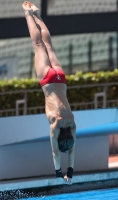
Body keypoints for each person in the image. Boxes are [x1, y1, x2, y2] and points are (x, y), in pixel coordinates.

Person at [22, 1, 76, 185]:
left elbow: (72, 151)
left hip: (60, 77)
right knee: (38, 44)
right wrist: (58, 173)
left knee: (48, 44)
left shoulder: (72, 123)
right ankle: (28, 14)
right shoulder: (55, 124)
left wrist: (70, 171)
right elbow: (55, 152)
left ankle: (37, 15)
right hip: (48, 80)